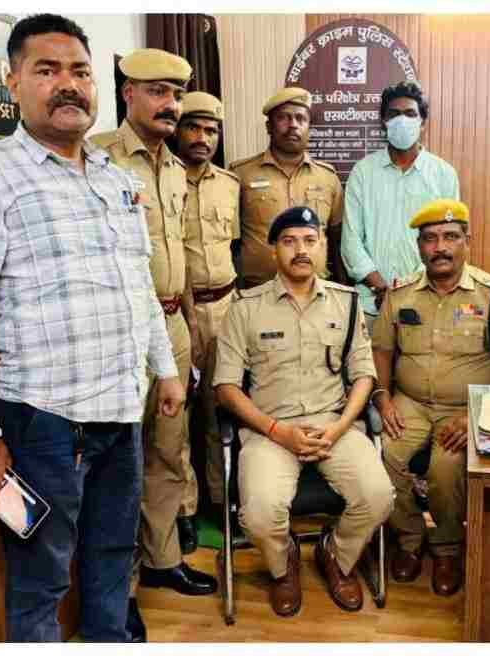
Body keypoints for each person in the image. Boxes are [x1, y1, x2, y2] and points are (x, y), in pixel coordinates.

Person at [0, 14, 185, 642]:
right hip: (44, 423)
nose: (67, 84)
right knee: (41, 576)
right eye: (46, 70)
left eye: (79, 71)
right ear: (13, 82)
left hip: (120, 414)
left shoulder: (116, 179)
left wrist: (164, 368)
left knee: (112, 556)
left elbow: (138, 286)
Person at [90, 48, 215, 642]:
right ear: (128, 95)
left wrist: (187, 324)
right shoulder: (98, 158)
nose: (171, 105)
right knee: (120, 467)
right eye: (158, 92)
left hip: (173, 328)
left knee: (170, 451)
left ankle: (164, 559)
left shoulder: (174, 168)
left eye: (177, 94)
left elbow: (179, 257)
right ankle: (124, 590)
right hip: (122, 333)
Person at [213, 207, 393, 617]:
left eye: (310, 241)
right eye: (289, 241)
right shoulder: (245, 307)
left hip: (334, 427)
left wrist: (340, 427)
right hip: (269, 431)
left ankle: (336, 555)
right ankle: (283, 565)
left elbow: (363, 375)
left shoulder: (347, 304)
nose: (301, 250)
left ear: (323, 247)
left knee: (379, 496)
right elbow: (225, 387)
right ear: (273, 250)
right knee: (259, 515)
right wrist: (278, 431)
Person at [372, 199, 490, 597]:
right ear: (419, 247)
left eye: (450, 237)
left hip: (464, 407)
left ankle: (447, 549)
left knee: (445, 469)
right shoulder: (400, 293)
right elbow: (381, 351)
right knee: (386, 456)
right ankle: (409, 541)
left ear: (467, 241)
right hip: (409, 402)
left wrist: (480, 412)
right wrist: (383, 398)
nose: (440, 247)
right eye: (430, 239)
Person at [170, 91, 240, 522]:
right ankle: (184, 509)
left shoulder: (230, 184)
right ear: (178, 130)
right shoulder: (164, 179)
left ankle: (221, 500)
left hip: (227, 307)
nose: (202, 137)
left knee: (222, 407)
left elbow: (235, 248)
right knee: (177, 415)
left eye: (211, 130)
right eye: (193, 127)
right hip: (179, 310)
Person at [341, 80, 460, 331]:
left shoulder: (443, 175)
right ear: (383, 121)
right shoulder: (363, 173)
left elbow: (448, 240)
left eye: (410, 114)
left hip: (426, 301)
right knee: (369, 358)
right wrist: (380, 287)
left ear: (422, 123)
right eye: (394, 114)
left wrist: (408, 289)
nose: (402, 120)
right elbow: (350, 241)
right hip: (370, 304)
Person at [230, 87, 345, 288]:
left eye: (301, 119)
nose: (293, 125)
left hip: (316, 290)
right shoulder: (241, 174)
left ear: (309, 127)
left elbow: (337, 240)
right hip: (258, 291)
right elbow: (230, 242)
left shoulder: (328, 177)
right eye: (283, 118)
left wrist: (342, 286)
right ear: (269, 126)